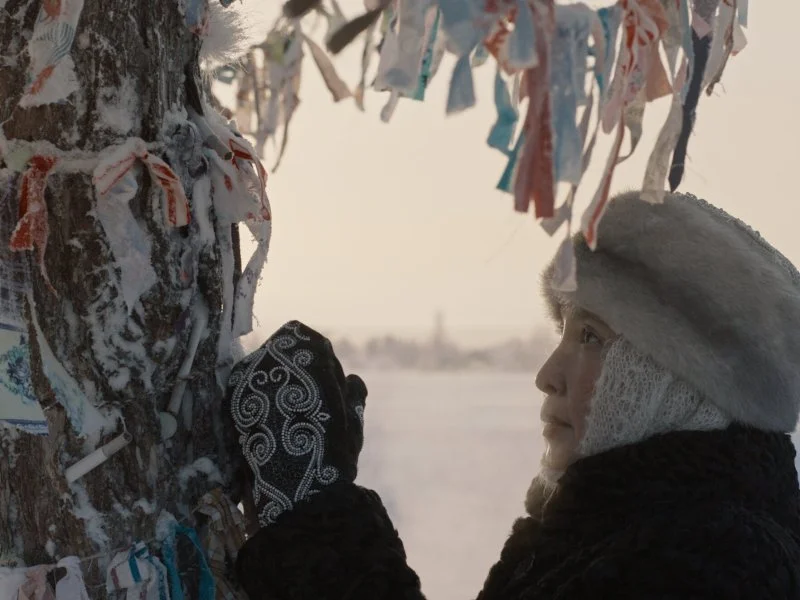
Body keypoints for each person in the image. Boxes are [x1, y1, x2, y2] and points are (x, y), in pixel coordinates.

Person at [225, 191, 800, 600]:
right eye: (564, 332)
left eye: (592, 337)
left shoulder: (719, 561)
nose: (548, 374)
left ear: (677, 382)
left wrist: (315, 514)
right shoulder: (609, 529)